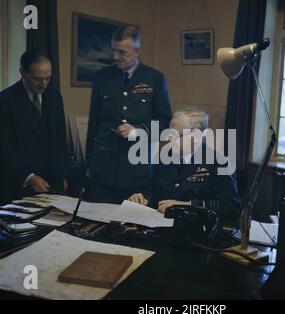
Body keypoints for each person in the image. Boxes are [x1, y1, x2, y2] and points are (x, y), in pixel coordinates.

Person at [86, 26, 173, 204]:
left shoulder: (155, 78)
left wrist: (139, 130)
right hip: (103, 167)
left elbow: (165, 123)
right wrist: (89, 163)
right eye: (114, 50)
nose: (115, 57)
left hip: (136, 170)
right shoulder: (102, 77)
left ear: (136, 51)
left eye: (121, 52)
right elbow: (94, 122)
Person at [129, 110, 242, 222]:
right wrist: (144, 198)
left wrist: (186, 205)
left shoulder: (218, 162)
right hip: (161, 226)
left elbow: (231, 207)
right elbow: (154, 190)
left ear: (196, 136)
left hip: (197, 231)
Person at [0, 49, 67, 202]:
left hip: (51, 182)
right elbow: (4, 147)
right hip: (17, 184)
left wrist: (62, 175)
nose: (43, 84)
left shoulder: (54, 96)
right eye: (37, 79)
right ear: (22, 73)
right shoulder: (5, 100)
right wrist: (28, 177)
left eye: (48, 78)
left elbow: (59, 139)